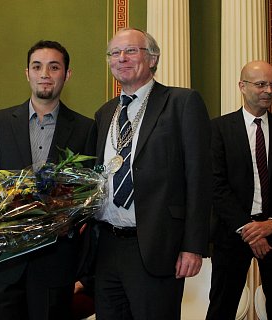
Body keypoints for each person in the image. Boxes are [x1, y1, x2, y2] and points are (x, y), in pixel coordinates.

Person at [87, 27, 212, 319]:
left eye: (131, 50)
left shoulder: (182, 102)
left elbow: (199, 178)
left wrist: (193, 246)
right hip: (106, 246)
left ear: (153, 58)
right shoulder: (104, 113)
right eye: (115, 53)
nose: (122, 58)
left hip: (157, 246)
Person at [0, 40, 93, 320]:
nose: (45, 74)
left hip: (56, 263)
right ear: (27, 73)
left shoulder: (86, 128)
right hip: (6, 262)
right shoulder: (0, 121)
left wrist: (68, 221)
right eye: (37, 67)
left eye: (54, 67)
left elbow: (87, 193)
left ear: (67, 74)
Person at [206, 60, 272, 320]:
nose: (269, 91)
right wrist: (249, 230)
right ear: (242, 86)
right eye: (261, 84)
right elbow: (216, 185)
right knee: (221, 309)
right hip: (232, 232)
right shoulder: (219, 129)